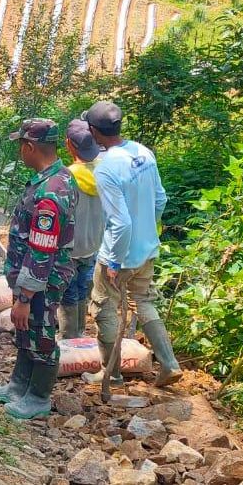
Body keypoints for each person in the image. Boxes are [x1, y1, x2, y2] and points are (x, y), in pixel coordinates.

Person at [79, 101, 182, 387]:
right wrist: (149, 232)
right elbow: (160, 199)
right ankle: (169, 364)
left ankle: (111, 374)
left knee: (102, 307)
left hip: (120, 254)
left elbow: (120, 222)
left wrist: (113, 260)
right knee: (144, 302)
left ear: (93, 131)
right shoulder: (142, 152)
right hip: (147, 250)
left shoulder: (106, 168)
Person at [0, 119, 77, 420]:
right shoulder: (53, 179)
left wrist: (25, 297)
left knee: (40, 332)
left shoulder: (51, 192)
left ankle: (38, 396)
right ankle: (18, 385)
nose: (20, 152)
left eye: (20, 147)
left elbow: (42, 250)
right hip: (33, 276)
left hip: (42, 279)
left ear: (30, 147)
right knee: (26, 330)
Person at [60, 120, 105, 339]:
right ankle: (78, 332)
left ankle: (70, 339)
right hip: (93, 244)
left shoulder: (67, 176)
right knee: (82, 292)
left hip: (70, 247)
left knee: (68, 293)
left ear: (69, 145)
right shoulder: (104, 171)